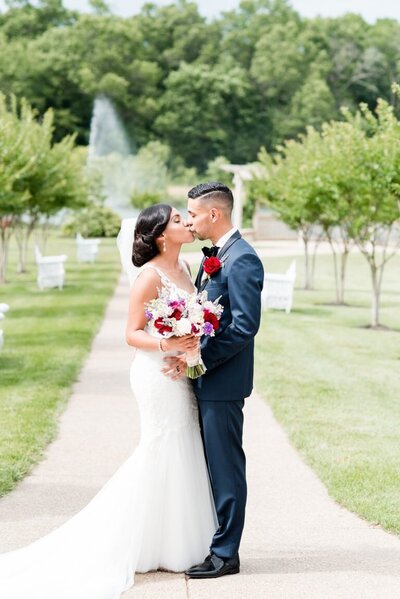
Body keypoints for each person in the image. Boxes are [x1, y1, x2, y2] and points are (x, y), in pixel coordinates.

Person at [0, 203, 218, 599]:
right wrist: (168, 344)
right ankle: (135, 539)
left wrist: (190, 351)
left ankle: (172, 541)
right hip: (154, 374)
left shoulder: (186, 270)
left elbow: (194, 323)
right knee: (162, 445)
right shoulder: (148, 277)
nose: (186, 222)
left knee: (184, 444)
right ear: (159, 236)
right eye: (176, 220)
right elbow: (132, 334)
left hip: (178, 372)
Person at [163, 182, 264, 579]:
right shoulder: (219, 257)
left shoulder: (242, 259)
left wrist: (198, 358)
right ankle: (216, 543)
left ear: (214, 214)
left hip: (223, 384)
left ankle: (226, 555)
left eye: (192, 214)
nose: (189, 220)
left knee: (225, 468)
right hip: (208, 380)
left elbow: (243, 328)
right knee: (213, 467)